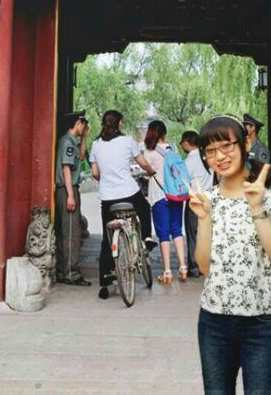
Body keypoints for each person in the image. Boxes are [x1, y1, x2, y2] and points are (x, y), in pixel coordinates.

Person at [188, 114, 271, 395]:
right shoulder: (208, 199)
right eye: (211, 151)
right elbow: (205, 268)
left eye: (226, 146)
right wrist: (204, 219)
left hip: (262, 324)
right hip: (214, 323)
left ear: (245, 144)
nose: (219, 157)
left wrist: (257, 208)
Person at [89, 109, 157, 301]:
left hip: (108, 197)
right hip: (129, 193)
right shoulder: (128, 141)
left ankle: (104, 282)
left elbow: (95, 173)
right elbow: (143, 163)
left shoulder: (96, 144)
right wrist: (150, 171)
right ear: (119, 124)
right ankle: (146, 237)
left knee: (106, 237)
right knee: (144, 207)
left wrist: (107, 179)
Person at [143, 120, 189, 284]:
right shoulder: (173, 148)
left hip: (159, 196)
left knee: (163, 234)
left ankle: (167, 272)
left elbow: (146, 173)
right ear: (164, 133)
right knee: (177, 230)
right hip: (176, 194)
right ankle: (183, 267)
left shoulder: (149, 152)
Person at [54, 110, 91, 286]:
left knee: (68, 230)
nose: (85, 128)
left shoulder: (72, 142)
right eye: (84, 125)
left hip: (69, 189)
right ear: (77, 123)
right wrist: (70, 195)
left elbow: (81, 157)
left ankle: (64, 271)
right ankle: (71, 273)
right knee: (71, 233)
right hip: (67, 189)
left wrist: (84, 139)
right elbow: (66, 168)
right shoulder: (67, 142)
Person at [180, 130, 213, 279]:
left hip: (194, 201)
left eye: (182, 143)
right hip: (208, 199)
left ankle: (194, 267)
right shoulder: (207, 156)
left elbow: (183, 180)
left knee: (193, 235)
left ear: (186, 143)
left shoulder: (190, 160)